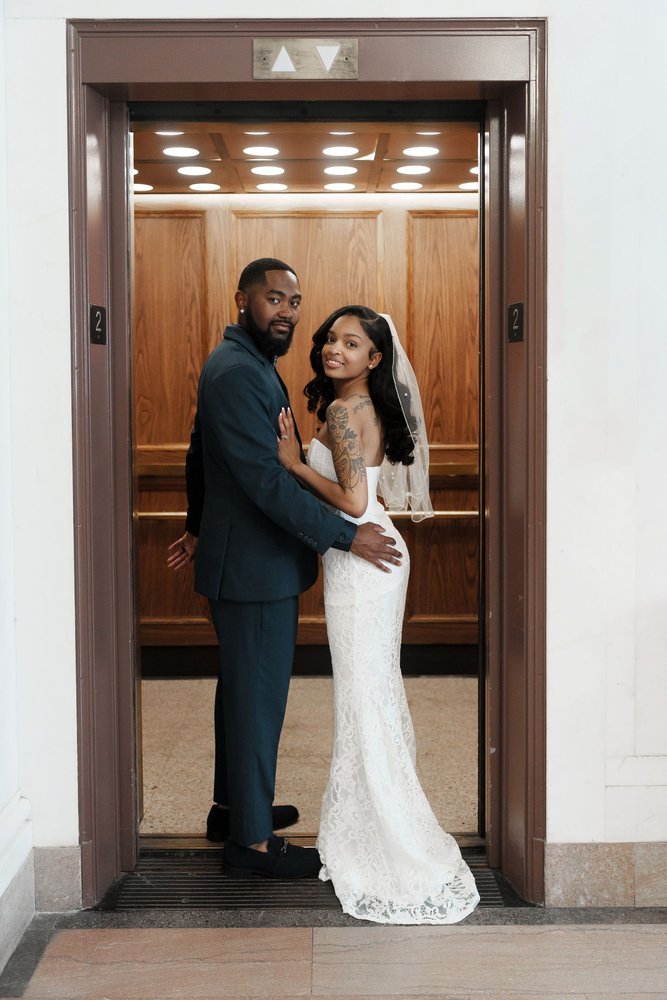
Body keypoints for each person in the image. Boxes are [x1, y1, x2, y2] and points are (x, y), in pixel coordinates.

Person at [167, 260, 403, 879]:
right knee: (256, 699)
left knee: (242, 692)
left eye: (294, 302)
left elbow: (200, 452)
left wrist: (196, 525)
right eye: (275, 299)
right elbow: (267, 481)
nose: (288, 313)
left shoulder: (246, 362)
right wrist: (347, 537)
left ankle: (233, 809)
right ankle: (250, 843)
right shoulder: (238, 371)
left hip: (249, 561)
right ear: (242, 299)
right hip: (254, 569)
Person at [277, 305, 480, 922]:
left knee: (365, 698)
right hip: (368, 557)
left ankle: (391, 837)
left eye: (351, 342)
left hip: (364, 563)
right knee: (371, 694)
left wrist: (293, 463)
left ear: (374, 357)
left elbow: (353, 498)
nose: (334, 349)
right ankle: (368, 824)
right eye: (330, 339)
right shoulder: (354, 405)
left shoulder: (344, 411)